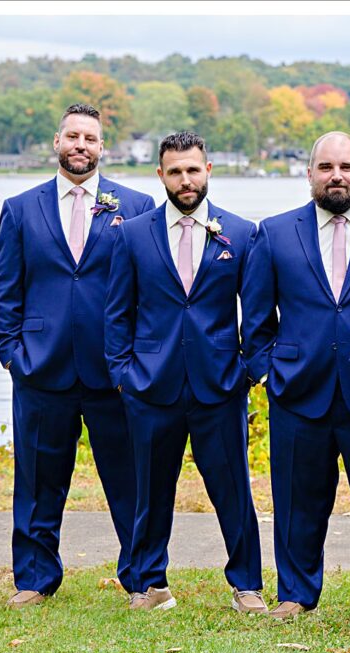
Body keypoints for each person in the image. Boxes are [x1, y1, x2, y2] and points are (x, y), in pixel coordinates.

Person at [0, 103, 154, 609]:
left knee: (130, 481)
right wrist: (13, 355)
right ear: (57, 143)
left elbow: (147, 290)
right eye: (72, 136)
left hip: (114, 371)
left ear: (103, 147)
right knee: (38, 481)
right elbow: (6, 292)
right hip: (41, 369)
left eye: (90, 138)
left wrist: (135, 362)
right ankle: (35, 578)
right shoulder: (21, 208)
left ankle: (143, 579)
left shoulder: (137, 205)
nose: (80, 145)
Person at [104, 131, 265, 613]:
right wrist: (124, 376)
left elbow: (258, 316)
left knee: (233, 490)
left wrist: (246, 372)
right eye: (175, 171)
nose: (185, 179)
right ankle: (149, 584)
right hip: (151, 386)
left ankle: (247, 585)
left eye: (193, 169)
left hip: (220, 386)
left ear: (208, 170)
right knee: (150, 492)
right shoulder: (133, 234)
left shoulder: (241, 233)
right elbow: (117, 314)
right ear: (160, 175)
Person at [242, 132, 350, 619]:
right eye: (326, 167)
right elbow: (256, 320)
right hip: (298, 390)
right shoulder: (275, 233)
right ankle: (296, 593)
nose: (336, 176)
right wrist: (268, 373)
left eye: (346, 167)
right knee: (296, 501)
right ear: (310, 174)